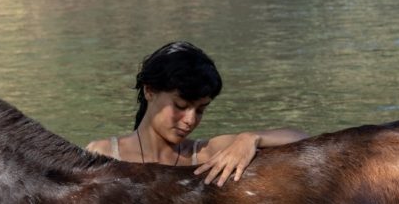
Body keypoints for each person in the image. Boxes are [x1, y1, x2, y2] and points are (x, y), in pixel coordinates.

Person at [86, 41, 307, 185]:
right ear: (149, 91)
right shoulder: (104, 153)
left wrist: (251, 138)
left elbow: (303, 139)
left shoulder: (203, 153)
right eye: (180, 106)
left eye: (201, 110)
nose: (190, 120)